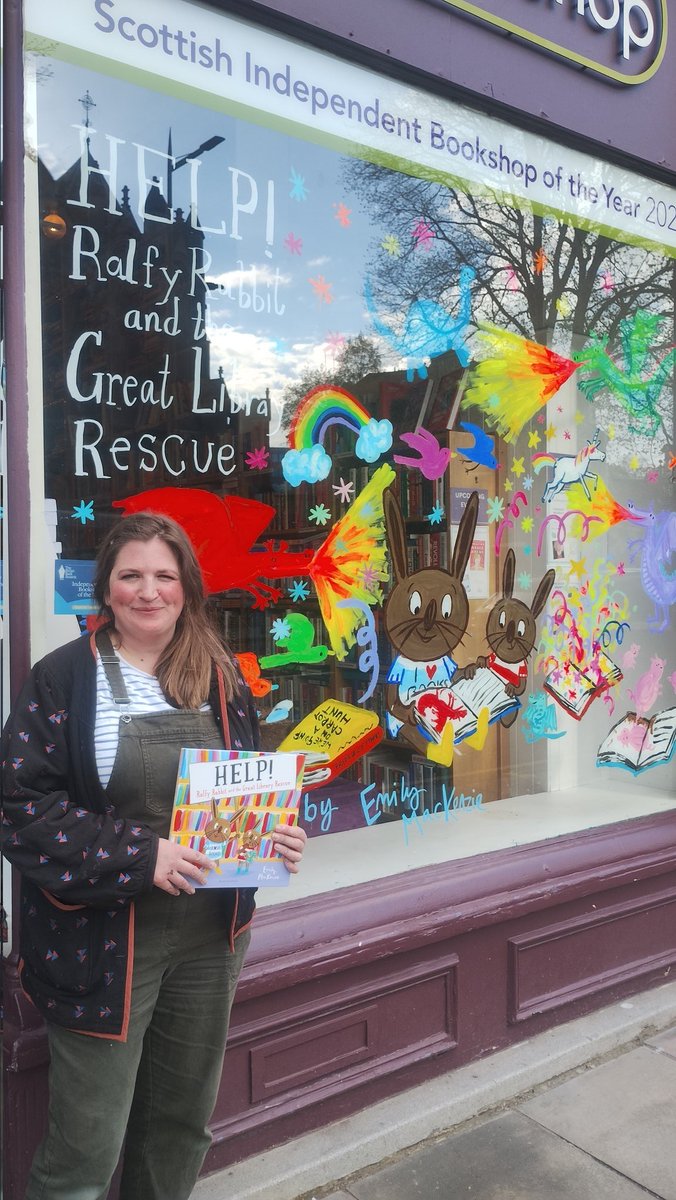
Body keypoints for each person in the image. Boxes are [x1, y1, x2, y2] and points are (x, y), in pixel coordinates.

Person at [1, 512, 307, 1200]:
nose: (149, 591)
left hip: (209, 937)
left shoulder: (220, 675)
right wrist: (141, 855)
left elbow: (248, 782)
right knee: (86, 1150)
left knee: (178, 1130)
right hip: (103, 942)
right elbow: (20, 806)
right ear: (106, 590)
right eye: (131, 576)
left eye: (164, 576)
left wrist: (277, 831)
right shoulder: (63, 680)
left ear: (187, 587)